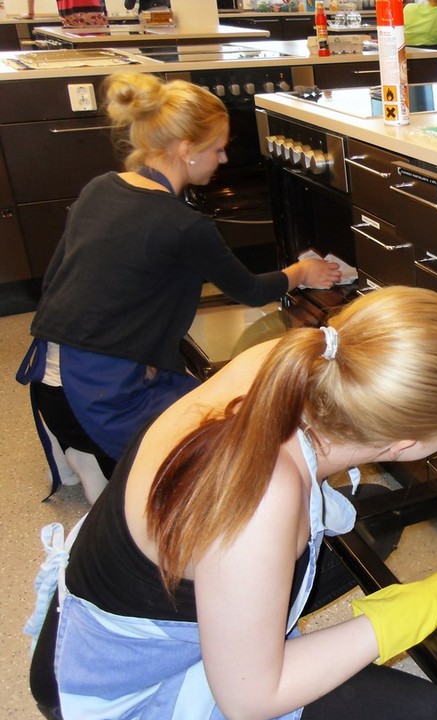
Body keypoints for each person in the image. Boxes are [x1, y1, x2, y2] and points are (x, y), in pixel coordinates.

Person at [28, 286, 437, 720]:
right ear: (403, 443)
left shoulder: (301, 359)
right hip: (122, 693)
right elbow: (250, 699)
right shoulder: (259, 502)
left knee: (376, 515)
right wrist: (414, 610)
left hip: (147, 599)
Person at [16, 72, 340, 501]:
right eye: (218, 149)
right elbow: (249, 290)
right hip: (96, 395)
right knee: (217, 442)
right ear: (187, 150)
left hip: (48, 379)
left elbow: (60, 282)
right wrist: (302, 272)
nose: (223, 159)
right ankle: (94, 462)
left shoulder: (100, 188)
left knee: (182, 400)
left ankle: (74, 453)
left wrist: (147, 353)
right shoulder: (184, 225)